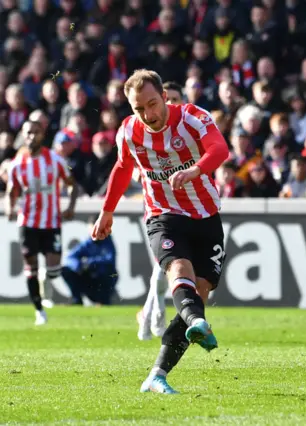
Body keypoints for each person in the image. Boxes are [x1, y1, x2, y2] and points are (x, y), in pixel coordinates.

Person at [91, 69, 229, 394]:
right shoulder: (128, 132)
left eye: (152, 104)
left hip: (206, 217)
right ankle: (197, 322)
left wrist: (195, 170)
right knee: (178, 269)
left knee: (200, 291)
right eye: (139, 108)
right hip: (163, 215)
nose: (148, 114)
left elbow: (220, 149)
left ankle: (157, 375)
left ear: (165, 97)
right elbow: (123, 167)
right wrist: (107, 211)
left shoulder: (194, 118)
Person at [5, 120, 78, 325]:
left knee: (53, 269)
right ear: (23, 134)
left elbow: (73, 185)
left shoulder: (55, 159)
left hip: (51, 221)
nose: (31, 136)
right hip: (27, 221)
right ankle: (39, 310)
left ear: (42, 135)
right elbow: (12, 191)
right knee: (30, 267)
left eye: (35, 133)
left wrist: (71, 207)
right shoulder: (17, 163)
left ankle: (47, 282)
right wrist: (10, 209)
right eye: (28, 132)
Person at [136, 81, 185, 341]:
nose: (173, 104)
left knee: (164, 270)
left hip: (187, 212)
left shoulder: (187, 130)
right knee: (161, 268)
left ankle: (147, 318)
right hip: (158, 213)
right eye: (170, 99)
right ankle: (155, 320)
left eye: (177, 99)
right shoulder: (147, 133)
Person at [62, 215, 117, 305]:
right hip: (89, 281)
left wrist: (89, 263)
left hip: (102, 283)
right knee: (66, 270)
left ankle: (103, 301)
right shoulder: (88, 242)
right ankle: (77, 301)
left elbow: (110, 260)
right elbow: (70, 258)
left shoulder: (107, 242)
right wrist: (79, 265)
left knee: (110, 274)